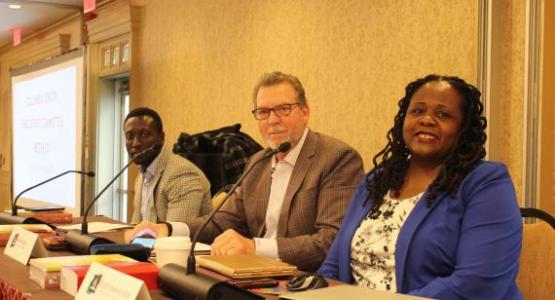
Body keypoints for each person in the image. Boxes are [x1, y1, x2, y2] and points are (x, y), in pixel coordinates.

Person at [126, 72, 364, 271]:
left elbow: (331, 241)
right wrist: (167, 229)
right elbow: (222, 221)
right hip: (251, 273)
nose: (272, 120)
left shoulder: (336, 158)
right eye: (263, 112)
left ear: (305, 112)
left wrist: (254, 248)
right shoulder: (258, 162)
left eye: (283, 109)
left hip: (303, 281)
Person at [318, 75, 523, 300]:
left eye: (443, 114)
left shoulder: (485, 183)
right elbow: (333, 267)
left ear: (463, 129)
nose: (426, 119)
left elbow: (479, 283)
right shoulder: (378, 180)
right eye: (417, 111)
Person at [124, 107, 212, 224]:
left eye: (144, 134)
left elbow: (175, 238)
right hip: (149, 242)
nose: (135, 143)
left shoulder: (182, 174)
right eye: (129, 137)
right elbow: (135, 229)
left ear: (161, 138)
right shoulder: (141, 175)